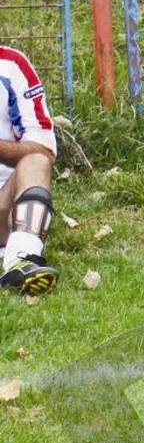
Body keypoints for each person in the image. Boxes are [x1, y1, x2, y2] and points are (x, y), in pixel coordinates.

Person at [0, 45, 58, 296]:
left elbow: (44, 149)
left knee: (37, 161)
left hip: (3, 204)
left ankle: (21, 260)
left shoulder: (11, 65)